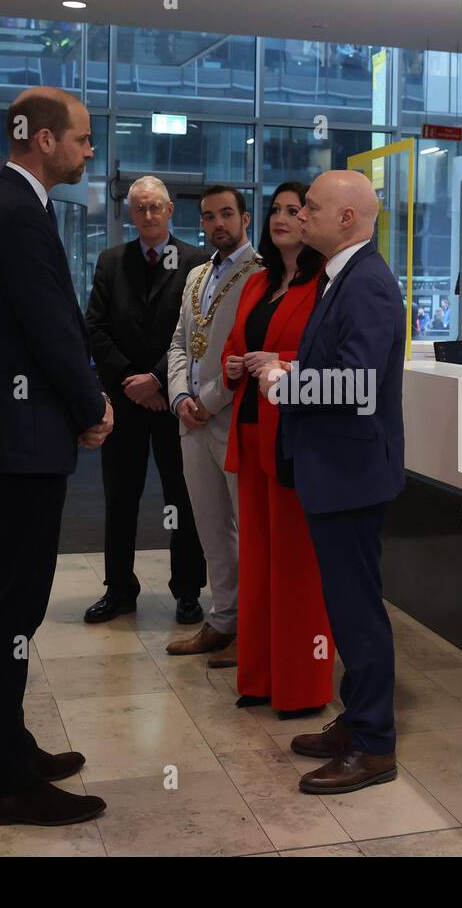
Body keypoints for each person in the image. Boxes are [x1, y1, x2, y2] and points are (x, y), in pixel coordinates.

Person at [0, 86, 113, 827]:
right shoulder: (18, 213)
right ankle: (9, 784)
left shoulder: (17, 206)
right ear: (45, 140)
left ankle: (13, 748)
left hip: (21, 434)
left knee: (13, 602)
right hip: (25, 439)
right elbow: (51, 326)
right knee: (13, 606)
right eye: (83, 139)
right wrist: (92, 406)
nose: (90, 151)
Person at [262, 169, 405, 795]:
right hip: (335, 469)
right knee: (347, 611)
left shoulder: (367, 283)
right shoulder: (337, 277)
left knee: (357, 612)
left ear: (347, 218)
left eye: (312, 208)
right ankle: (358, 720)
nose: (300, 217)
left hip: (350, 474)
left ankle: (374, 744)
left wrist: (284, 383)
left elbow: (358, 384)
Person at [222, 182, 333, 718]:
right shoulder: (258, 283)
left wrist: (277, 359)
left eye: (296, 210)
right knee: (258, 562)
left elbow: (322, 357)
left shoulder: (323, 285)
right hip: (248, 426)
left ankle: (302, 685)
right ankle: (260, 676)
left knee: (296, 564)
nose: (283, 218)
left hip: (290, 432)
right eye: (277, 210)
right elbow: (234, 347)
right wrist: (236, 363)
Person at [83, 176, 208, 627]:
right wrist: (130, 381)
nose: (149, 215)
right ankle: (119, 590)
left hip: (172, 400)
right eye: (140, 208)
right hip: (123, 403)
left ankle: (188, 590)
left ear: (171, 209)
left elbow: (198, 332)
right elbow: (95, 327)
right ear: (130, 213)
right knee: (120, 500)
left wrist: (156, 380)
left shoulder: (197, 262)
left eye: (156, 207)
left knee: (182, 498)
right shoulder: (112, 261)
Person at [164, 186, 261, 663]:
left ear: (245, 217)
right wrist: (181, 395)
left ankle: (254, 630)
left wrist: (207, 400)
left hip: (233, 418)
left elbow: (244, 355)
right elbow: (180, 342)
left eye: (226, 214)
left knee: (249, 526)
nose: (217, 224)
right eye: (208, 217)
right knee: (210, 528)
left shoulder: (261, 274)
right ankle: (223, 620)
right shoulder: (197, 274)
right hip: (192, 420)